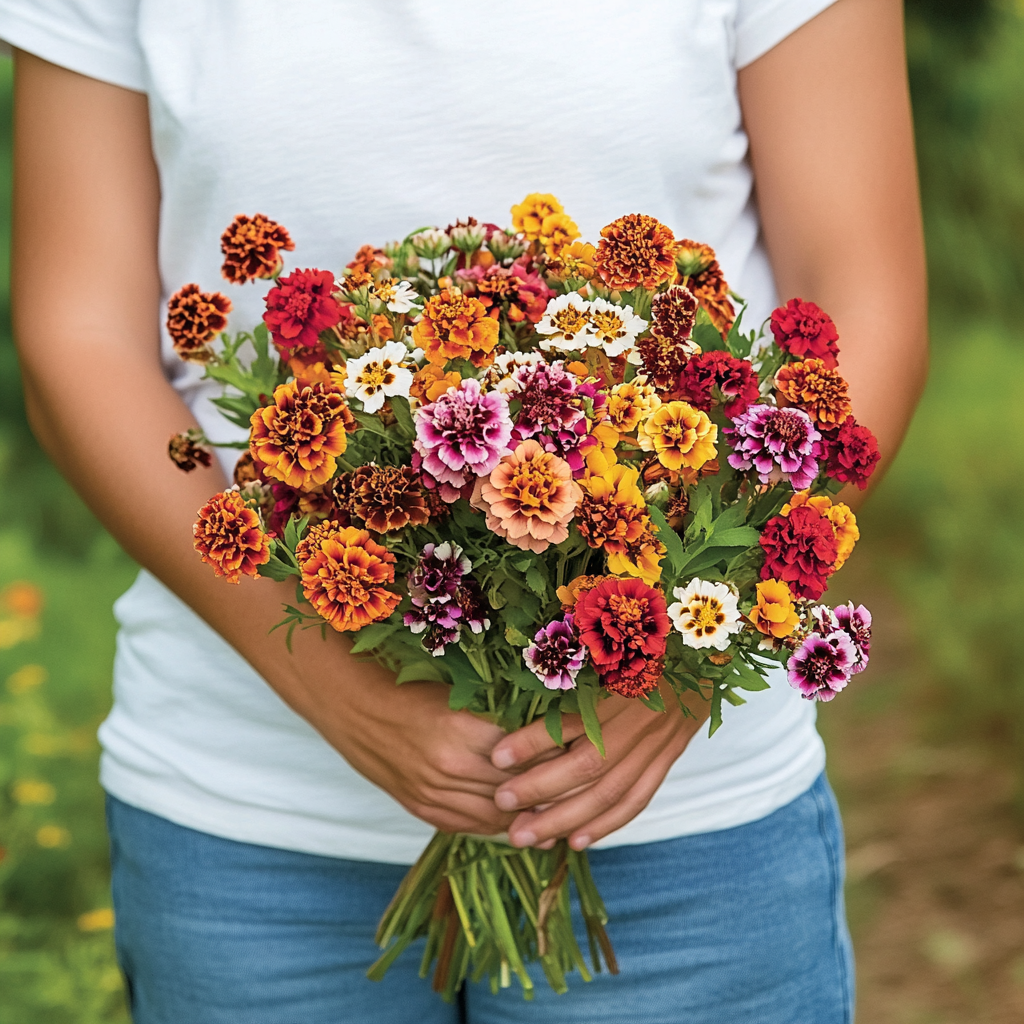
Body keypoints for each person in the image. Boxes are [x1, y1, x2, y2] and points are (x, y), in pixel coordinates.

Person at [3, 0, 927, 1020]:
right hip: (252, 819)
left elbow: (863, 302)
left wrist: (670, 674)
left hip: (677, 832)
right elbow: (76, 334)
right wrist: (326, 683)